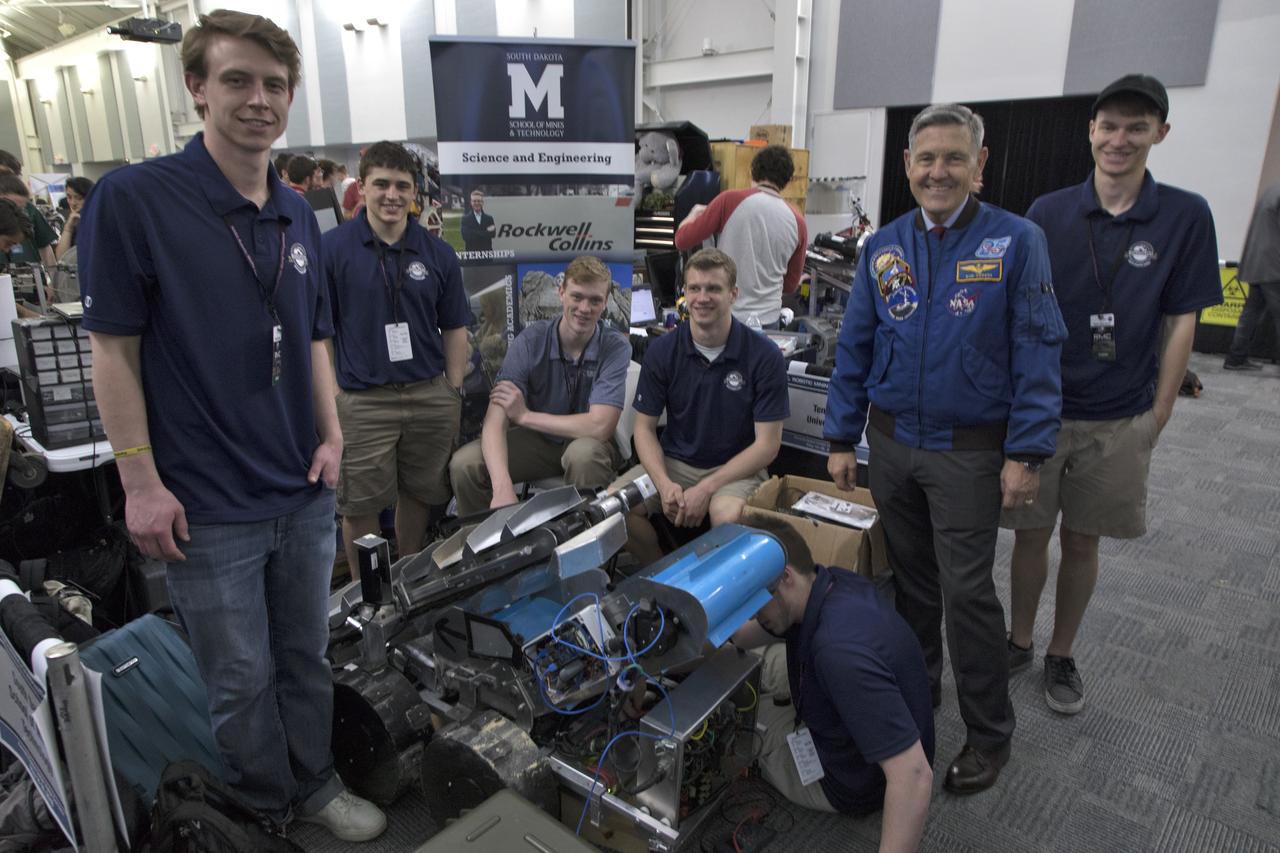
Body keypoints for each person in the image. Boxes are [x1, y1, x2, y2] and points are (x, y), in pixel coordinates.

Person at [77, 9, 384, 842]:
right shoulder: (135, 200)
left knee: (305, 656)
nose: (259, 100)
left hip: (303, 487)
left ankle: (315, 783)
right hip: (206, 501)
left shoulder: (296, 210)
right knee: (239, 676)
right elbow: (113, 351)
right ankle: (267, 807)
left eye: (275, 85)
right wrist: (139, 483)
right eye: (238, 80)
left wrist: (332, 437)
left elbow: (315, 336)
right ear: (197, 87)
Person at [824, 103, 1067, 794]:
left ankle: (990, 734)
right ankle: (917, 687)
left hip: (969, 453)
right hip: (893, 444)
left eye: (954, 158)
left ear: (979, 165)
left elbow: (1039, 350)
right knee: (912, 585)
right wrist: (841, 434)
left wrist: (1027, 452)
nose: (938, 171)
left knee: (967, 596)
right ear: (907, 166)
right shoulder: (885, 246)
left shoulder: (1017, 242)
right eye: (925, 159)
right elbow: (855, 346)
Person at [1002, 75, 1222, 715]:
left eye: (1136, 126)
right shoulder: (1048, 212)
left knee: (1084, 541)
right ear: (1091, 131)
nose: (1120, 139)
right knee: (1028, 536)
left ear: (1160, 132)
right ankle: (1018, 640)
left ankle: (1060, 653)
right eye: (1109, 125)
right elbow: (1022, 314)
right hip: (1044, 411)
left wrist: (1161, 408)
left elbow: (1183, 318)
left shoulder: (1186, 215)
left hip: (1122, 414)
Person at [731, 517, 933, 849]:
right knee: (758, 660)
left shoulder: (838, 655)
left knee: (739, 724)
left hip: (852, 780)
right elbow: (740, 637)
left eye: (756, 603)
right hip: (871, 710)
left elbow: (913, 776)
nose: (753, 615)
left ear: (786, 578)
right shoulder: (831, 581)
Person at [323, 141, 470, 572]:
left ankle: (407, 576)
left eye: (402, 186)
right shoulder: (332, 250)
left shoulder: (437, 252)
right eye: (381, 184)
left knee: (421, 493)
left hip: (428, 393)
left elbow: (455, 326)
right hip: (363, 399)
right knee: (361, 504)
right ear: (362, 187)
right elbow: (320, 334)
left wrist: (452, 391)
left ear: (414, 194)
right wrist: (334, 397)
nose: (392, 195)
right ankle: (370, 598)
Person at [617, 247, 788, 566]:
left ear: (733, 294)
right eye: (694, 288)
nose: (702, 297)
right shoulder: (663, 350)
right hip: (675, 464)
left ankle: (714, 597)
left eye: (713, 288)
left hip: (737, 467)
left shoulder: (764, 356)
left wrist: (707, 487)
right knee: (613, 510)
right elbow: (643, 429)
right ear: (684, 293)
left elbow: (768, 446)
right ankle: (663, 575)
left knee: (726, 515)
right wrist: (664, 484)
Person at [449, 255, 631, 515]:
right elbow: (495, 418)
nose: (584, 308)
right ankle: (488, 546)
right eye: (577, 296)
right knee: (465, 465)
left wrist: (525, 416)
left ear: (605, 303)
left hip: (589, 442)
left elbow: (600, 426)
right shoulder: (531, 340)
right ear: (561, 293)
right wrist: (502, 486)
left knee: (583, 456)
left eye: (595, 300)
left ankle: (581, 546)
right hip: (540, 442)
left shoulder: (615, 345)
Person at [674, 144, 807, 328]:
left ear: (752, 171)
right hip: (769, 322)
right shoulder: (798, 221)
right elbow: (791, 285)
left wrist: (694, 214)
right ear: (787, 180)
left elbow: (682, 240)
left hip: (729, 320)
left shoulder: (729, 201)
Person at [1223, 180, 1280, 370]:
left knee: (1250, 313)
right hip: (1274, 265)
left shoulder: (1272, 190)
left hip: (1257, 262)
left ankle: (1235, 358)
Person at [0, 173, 56, 270]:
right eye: (10, 204)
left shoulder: (31, 212)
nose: (16, 211)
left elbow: (45, 247)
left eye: (21, 208)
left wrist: (53, 277)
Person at [54, 176, 93, 261]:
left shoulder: (100, 220)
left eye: (79, 198)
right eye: (69, 197)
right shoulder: (71, 221)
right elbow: (61, 258)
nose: (73, 203)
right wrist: (68, 228)